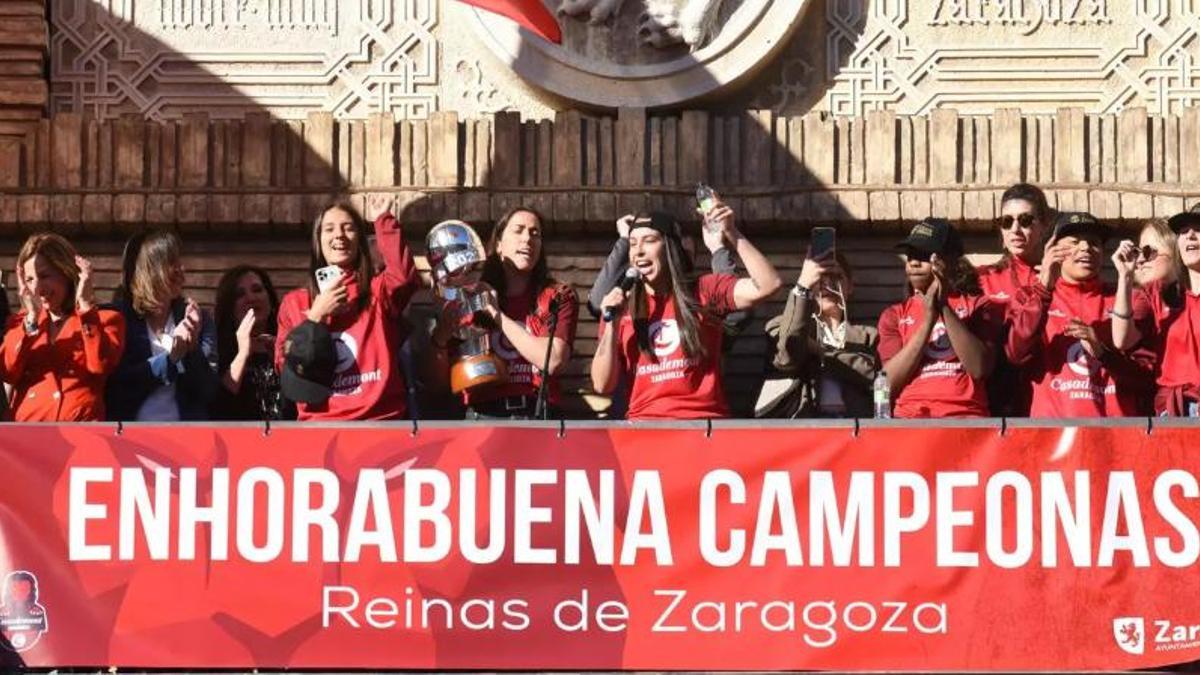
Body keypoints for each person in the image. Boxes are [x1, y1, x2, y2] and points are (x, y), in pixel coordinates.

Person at [590, 205, 781, 420]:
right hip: (644, 430)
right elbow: (601, 385)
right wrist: (612, 325)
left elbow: (769, 284)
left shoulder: (705, 290)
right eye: (633, 244)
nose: (639, 251)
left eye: (650, 241)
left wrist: (732, 233)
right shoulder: (621, 305)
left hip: (704, 427)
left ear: (670, 248)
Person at [275, 195, 419, 420]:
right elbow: (285, 366)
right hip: (322, 425)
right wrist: (315, 317)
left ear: (360, 240)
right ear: (318, 241)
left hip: (381, 420)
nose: (339, 235)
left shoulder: (377, 291)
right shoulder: (295, 302)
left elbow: (404, 278)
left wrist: (384, 222)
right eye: (329, 229)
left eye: (348, 228)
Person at [430, 207, 579, 419]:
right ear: (499, 245)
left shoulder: (557, 296)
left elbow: (553, 361)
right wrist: (441, 337)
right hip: (483, 415)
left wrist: (496, 313)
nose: (527, 239)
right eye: (518, 230)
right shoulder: (471, 295)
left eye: (535, 233)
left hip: (538, 413)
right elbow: (437, 385)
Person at [1006, 212, 1155, 417]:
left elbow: (1146, 377)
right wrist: (1044, 288)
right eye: (1075, 242)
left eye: (1094, 243)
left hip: (1117, 436)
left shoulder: (1130, 299)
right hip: (1053, 438)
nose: (1085, 248)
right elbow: (1016, 354)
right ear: (1052, 250)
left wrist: (1102, 353)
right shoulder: (1029, 296)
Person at [877, 218, 1000, 418]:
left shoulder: (979, 305)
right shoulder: (894, 314)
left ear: (950, 260)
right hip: (910, 420)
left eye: (924, 255)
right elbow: (887, 382)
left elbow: (979, 368)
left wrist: (944, 306)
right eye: (910, 256)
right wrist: (928, 320)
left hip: (966, 418)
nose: (914, 262)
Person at [1, 233, 125, 421]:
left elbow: (101, 365)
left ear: (66, 272)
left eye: (44, 276)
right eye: (30, 279)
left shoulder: (104, 320)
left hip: (82, 435)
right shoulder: (20, 325)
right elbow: (7, 371)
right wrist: (31, 319)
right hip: (27, 438)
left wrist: (85, 305)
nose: (37, 288)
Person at [106, 230, 219, 421]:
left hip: (185, 439)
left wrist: (192, 350)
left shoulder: (197, 319)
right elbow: (118, 388)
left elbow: (208, 392)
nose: (181, 269)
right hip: (130, 439)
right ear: (150, 270)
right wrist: (171, 359)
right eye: (172, 263)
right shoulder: (118, 319)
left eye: (180, 262)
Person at [755, 247, 878, 418]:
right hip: (802, 428)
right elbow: (786, 356)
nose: (827, 285)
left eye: (836, 277)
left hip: (854, 430)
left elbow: (875, 376)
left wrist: (820, 350)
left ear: (850, 286)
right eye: (820, 277)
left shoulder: (869, 336)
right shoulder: (780, 325)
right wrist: (803, 286)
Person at [1111, 211, 1200, 416]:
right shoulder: (1154, 296)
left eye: (1149, 252)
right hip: (1173, 410)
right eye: (1184, 231)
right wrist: (1124, 276)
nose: (1140, 259)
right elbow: (1122, 340)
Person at [977, 183, 1052, 416]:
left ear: (1044, 224)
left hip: (1048, 397)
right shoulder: (981, 278)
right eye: (1007, 221)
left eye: (1026, 220)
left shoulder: (1062, 277)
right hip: (995, 403)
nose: (1015, 230)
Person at [212, 265, 293, 420]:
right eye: (240, 294)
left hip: (287, 438)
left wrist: (283, 358)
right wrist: (242, 355)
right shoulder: (217, 349)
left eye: (257, 290)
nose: (251, 298)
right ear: (229, 307)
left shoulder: (288, 341)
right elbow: (219, 406)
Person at [1133, 219, 1178, 288]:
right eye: (1137, 252)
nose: (1139, 260)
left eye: (1148, 251)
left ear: (1176, 254)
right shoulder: (1123, 297)